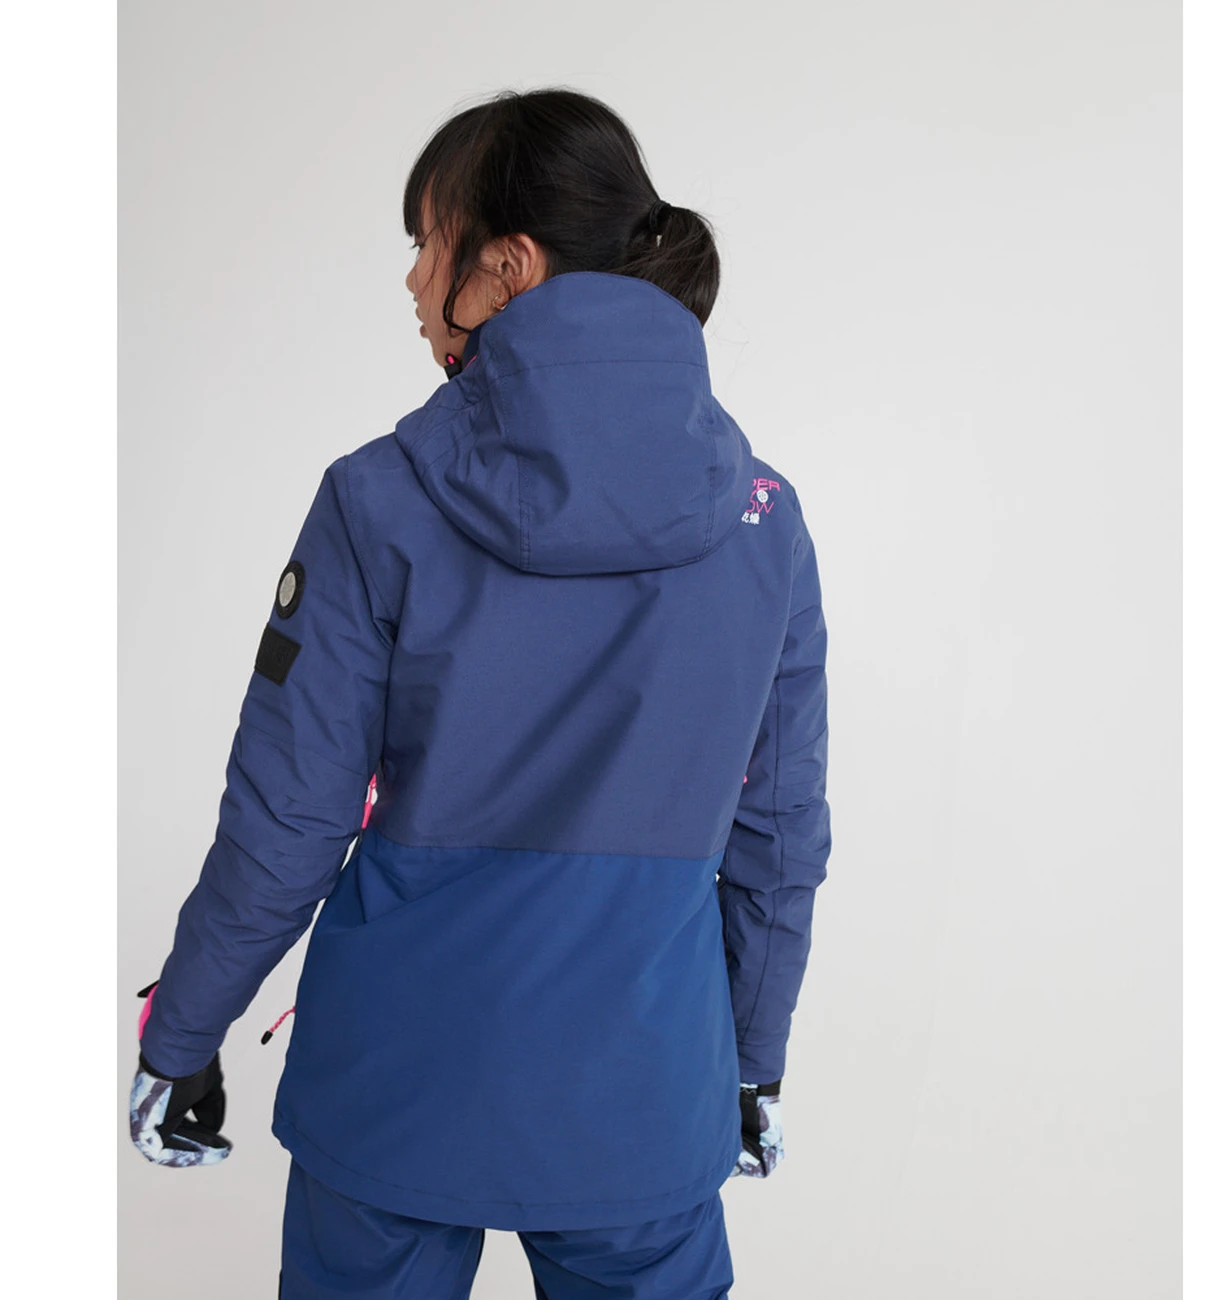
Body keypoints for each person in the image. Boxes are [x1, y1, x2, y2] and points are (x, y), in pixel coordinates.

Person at [128, 86, 831, 1300]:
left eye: (427, 242)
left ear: (506, 267)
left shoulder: (375, 499)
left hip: (396, 1086)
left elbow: (290, 818)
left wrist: (182, 1032)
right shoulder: (764, 519)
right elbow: (776, 833)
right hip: (641, 1092)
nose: (412, 282)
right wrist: (749, 1060)